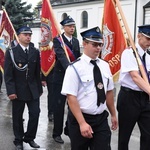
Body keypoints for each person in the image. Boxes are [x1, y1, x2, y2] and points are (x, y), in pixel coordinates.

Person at [61, 26, 118, 150]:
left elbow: (108, 92)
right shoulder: (74, 68)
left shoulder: (105, 65)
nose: (98, 48)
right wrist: (82, 123)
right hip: (80, 118)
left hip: (101, 118)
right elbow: (71, 98)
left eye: (100, 44)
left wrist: (113, 114)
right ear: (84, 44)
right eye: (94, 44)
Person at [4, 26, 43, 150]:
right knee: (17, 116)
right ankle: (18, 140)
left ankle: (30, 138)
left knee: (35, 114)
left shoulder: (34, 51)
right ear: (19, 36)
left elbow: (37, 71)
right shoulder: (12, 51)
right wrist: (11, 91)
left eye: (30, 35)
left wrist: (40, 87)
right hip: (18, 90)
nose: (28, 37)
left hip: (33, 90)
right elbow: (8, 74)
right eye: (25, 34)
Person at [117, 24, 150, 150]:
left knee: (148, 135)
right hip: (129, 98)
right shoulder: (129, 53)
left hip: (145, 98)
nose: (149, 42)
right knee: (124, 136)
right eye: (147, 38)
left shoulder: (148, 57)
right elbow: (135, 77)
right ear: (139, 36)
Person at [52, 16, 80, 143]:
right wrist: (71, 70)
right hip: (60, 78)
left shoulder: (75, 41)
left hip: (73, 78)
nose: (72, 28)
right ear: (63, 27)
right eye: (69, 26)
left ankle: (69, 129)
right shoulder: (58, 40)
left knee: (73, 105)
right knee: (59, 106)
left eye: (73, 26)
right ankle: (56, 133)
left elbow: (78, 58)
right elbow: (61, 57)